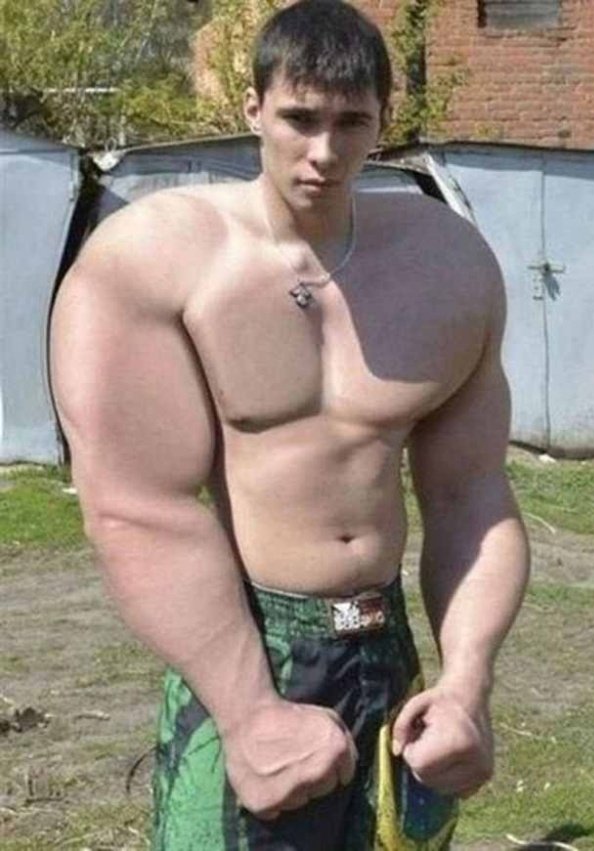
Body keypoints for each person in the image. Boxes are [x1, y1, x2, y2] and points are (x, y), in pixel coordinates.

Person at [50, 0, 530, 848]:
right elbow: (137, 508)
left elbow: (471, 496)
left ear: (383, 120)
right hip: (247, 646)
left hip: (385, 648)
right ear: (253, 108)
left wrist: (467, 682)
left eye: (351, 123)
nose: (324, 152)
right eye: (300, 119)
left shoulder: (445, 262)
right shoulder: (154, 258)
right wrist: (248, 713)